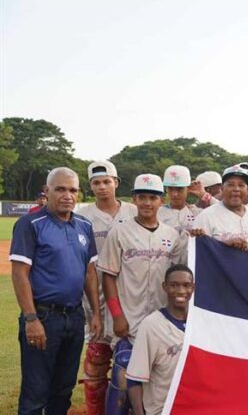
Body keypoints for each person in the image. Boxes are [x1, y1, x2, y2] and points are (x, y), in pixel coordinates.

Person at [10, 167, 102, 415]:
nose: (67, 195)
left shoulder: (83, 225)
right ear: (47, 191)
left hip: (74, 317)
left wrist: (95, 313)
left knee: (63, 389)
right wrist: (31, 318)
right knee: (35, 391)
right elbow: (20, 273)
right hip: (43, 317)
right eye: (60, 189)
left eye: (72, 190)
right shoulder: (30, 224)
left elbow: (89, 273)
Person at [99, 173, 186, 415]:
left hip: (160, 321)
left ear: (161, 200)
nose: (147, 203)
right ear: (134, 200)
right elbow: (108, 276)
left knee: (156, 380)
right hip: (129, 318)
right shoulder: (120, 232)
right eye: (142, 197)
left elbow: (179, 277)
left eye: (153, 197)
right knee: (123, 375)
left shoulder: (171, 235)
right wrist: (117, 315)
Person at [78, 160, 138, 414]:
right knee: (97, 363)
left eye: (106, 181)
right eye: (96, 183)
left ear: (116, 182)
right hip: (96, 298)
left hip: (132, 296)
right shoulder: (82, 216)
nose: (102, 187)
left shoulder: (135, 211)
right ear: (90, 186)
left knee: (134, 362)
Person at [126, 264, 194, 415]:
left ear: (193, 288)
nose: (181, 291)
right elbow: (134, 379)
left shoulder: (199, 324)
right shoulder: (151, 325)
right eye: (174, 285)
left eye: (186, 285)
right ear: (165, 287)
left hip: (194, 407)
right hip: (163, 410)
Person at [192, 165, 248, 252]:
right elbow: (198, 253)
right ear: (222, 188)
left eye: (241, 185)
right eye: (230, 185)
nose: (236, 189)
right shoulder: (206, 216)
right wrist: (224, 245)